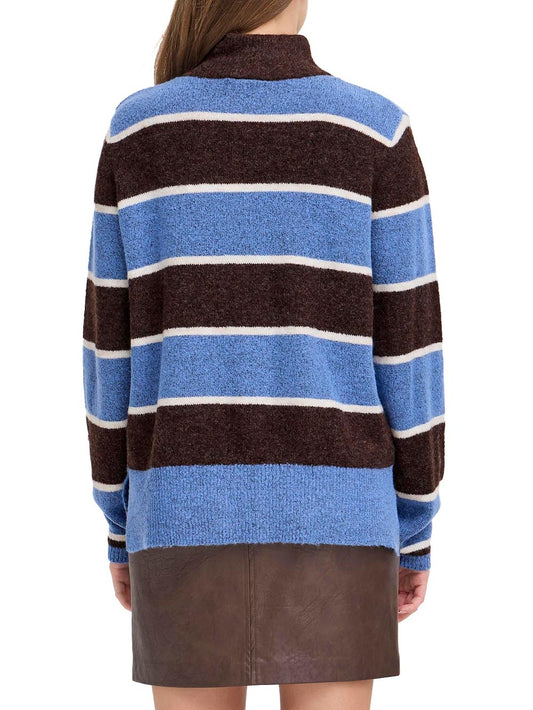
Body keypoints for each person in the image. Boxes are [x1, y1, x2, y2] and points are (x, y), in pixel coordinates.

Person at [82, 0, 445, 707]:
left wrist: (122, 523)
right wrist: (414, 524)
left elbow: (108, 356)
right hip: (340, 518)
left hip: (180, 511)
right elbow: (411, 353)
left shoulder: (139, 131)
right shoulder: (373, 130)